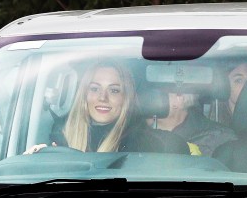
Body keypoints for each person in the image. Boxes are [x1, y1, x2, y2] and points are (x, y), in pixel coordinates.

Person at [26, 63, 187, 154]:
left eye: (114, 90)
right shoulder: (58, 138)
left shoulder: (148, 145)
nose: (103, 97)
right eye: (95, 88)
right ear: (84, 95)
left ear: (126, 98)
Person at [151, 91, 236, 156]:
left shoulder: (220, 141)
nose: (139, 98)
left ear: (179, 97)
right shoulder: (139, 138)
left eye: (151, 91)